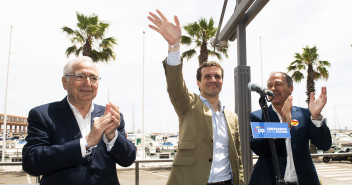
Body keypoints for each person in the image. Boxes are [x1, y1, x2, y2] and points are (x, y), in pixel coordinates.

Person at [148, 10, 244, 185]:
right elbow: (175, 85)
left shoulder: (232, 117)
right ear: (198, 82)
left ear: (222, 81)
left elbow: (237, 157)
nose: (213, 80)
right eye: (207, 76)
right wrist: (174, 46)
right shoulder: (188, 104)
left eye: (217, 76)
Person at [22, 56, 136, 185]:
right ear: (65, 82)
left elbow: (128, 159)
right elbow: (31, 163)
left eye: (93, 78)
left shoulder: (110, 116)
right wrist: (85, 143)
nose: (87, 83)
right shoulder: (43, 115)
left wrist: (112, 136)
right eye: (80, 76)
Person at [249, 72, 332, 185]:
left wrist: (316, 117)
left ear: (290, 88)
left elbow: (324, 145)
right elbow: (259, 148)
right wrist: (284, 126)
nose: (273, 88)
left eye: (278, 84)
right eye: (269, 85)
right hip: (269, 180)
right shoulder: (259, 116)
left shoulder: (305, 114)